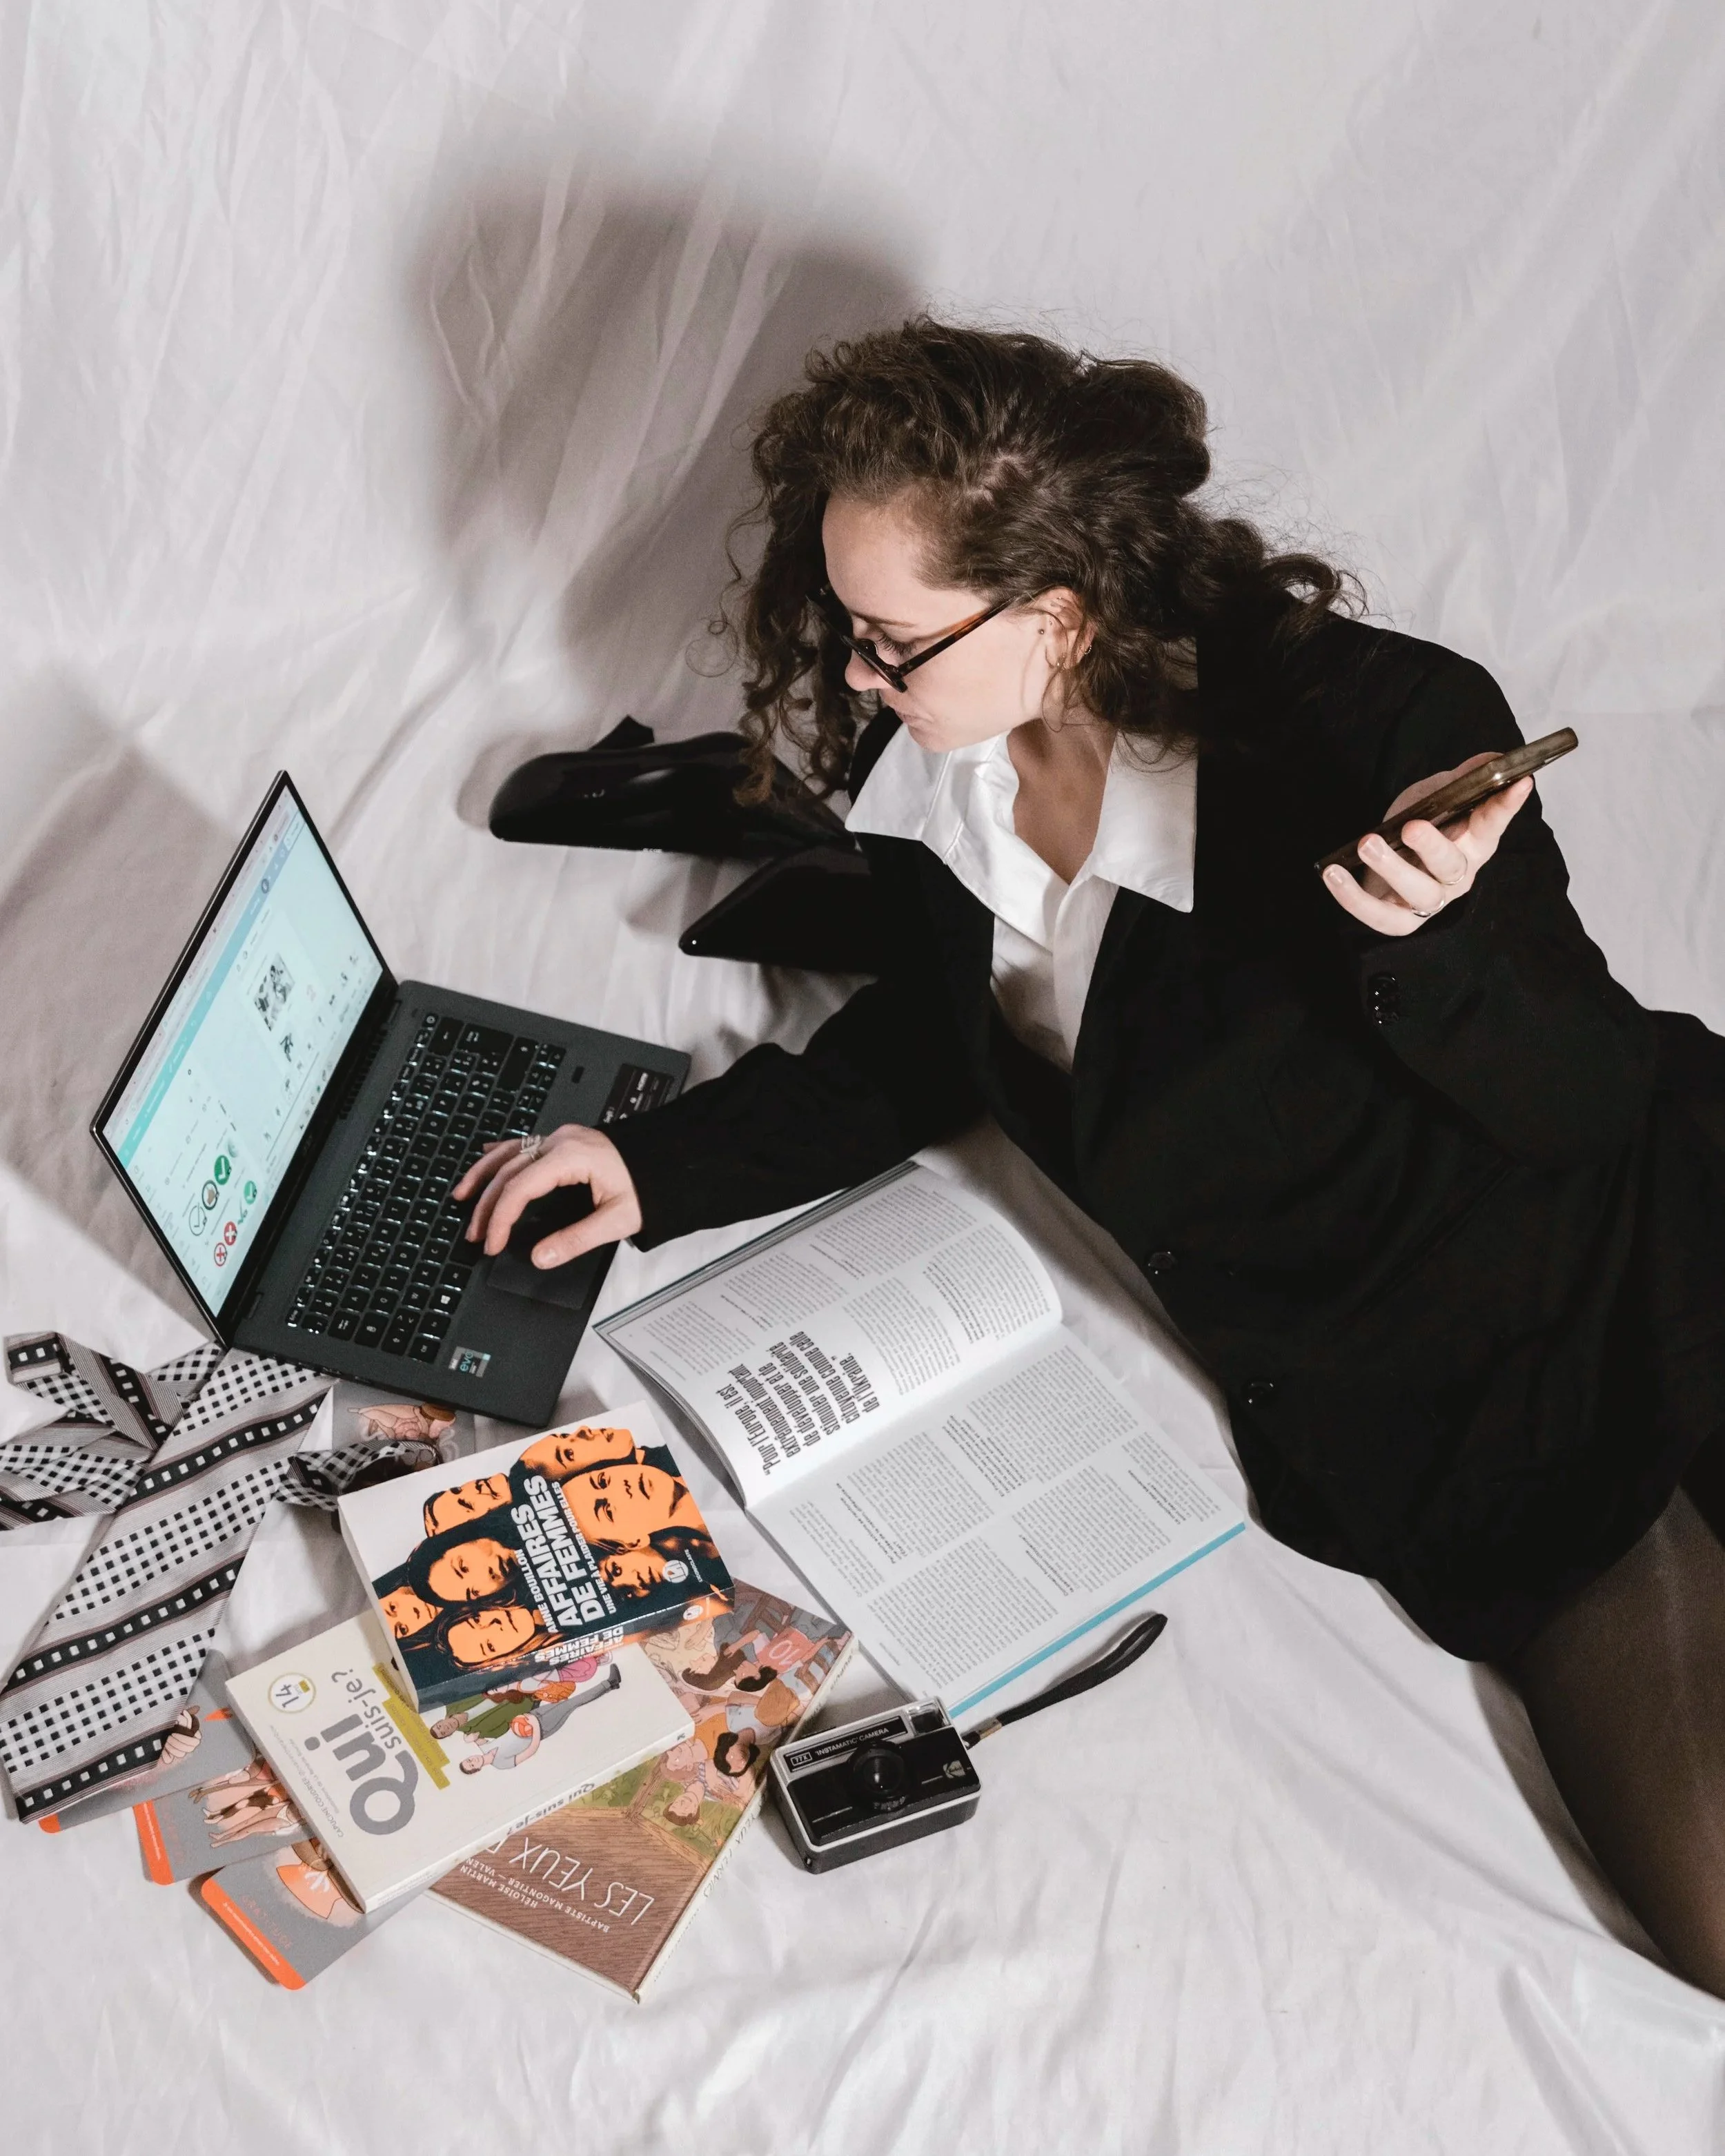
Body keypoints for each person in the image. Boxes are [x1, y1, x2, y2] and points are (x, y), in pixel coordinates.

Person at [453, 319, 1725, 1995]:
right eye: (846, 627)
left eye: (890, 641)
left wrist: (1438, 948)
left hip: (1635, 1229)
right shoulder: (933, 752)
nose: (852, 677)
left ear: (1054, 615)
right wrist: (656, 1168)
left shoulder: (1378, 727)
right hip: (1484, 1429)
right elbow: (935, 1029)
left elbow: (1577, 1088)